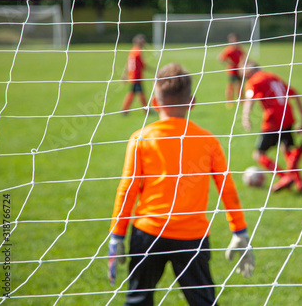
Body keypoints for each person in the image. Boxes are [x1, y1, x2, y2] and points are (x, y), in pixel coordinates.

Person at [108, 62, 255, 306]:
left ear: (155, 104)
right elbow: (227, 188)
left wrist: (117, 235)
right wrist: (239, 231)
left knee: (138, 300)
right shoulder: (208, 140)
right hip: (192, 237)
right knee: (203, 301)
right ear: (193, 101)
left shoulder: (140, 138)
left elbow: (127, 189)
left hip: (148, 233)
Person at [240, 61, 302, 193]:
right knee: (287, 149)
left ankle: (285, 177)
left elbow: (249, 99)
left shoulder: (253, 81)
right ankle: (300, 183)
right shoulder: (273, 76)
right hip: (288, 117)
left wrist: (245, 117)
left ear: (248, 72)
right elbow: (295, 93)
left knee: (258, 154)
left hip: (273, 121)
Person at [121, 34, 151, 115]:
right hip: (136, 77)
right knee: (140, 94)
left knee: (132, 93)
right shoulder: (138, 52)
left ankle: (125, 110)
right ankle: (146, 110)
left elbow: (127, 64)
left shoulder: (132, 51)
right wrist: (154, 71)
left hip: (132, 77)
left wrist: (124, 75)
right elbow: (143, 65)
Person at [218, 33, 245, 108]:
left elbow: (243, 57)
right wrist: (230, 63)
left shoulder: (240, 49)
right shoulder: (229, 49)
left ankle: (241, 100)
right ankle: (229, 101)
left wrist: (242, 64)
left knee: (240, 85)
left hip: (239, 70)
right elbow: (221, 58)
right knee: (231, 86)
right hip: (232, 71)